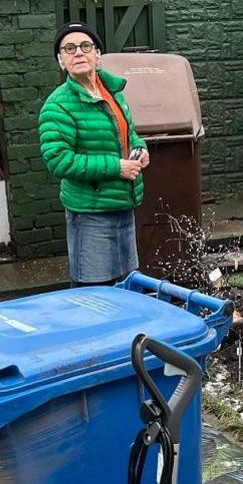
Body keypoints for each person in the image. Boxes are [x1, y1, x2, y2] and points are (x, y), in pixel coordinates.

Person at [39, 22, 150, 286]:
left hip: (123, 206)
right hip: (90, 214)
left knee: (128, 286)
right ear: (61, 62)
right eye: (69, 48)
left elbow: (128, 132)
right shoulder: (57, 106)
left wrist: (140, 147)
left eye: (85, 46)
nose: (78, 52)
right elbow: (58, 160)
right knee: (93, 293)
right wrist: (116, 167)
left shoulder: (112, 93)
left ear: (97, 55)